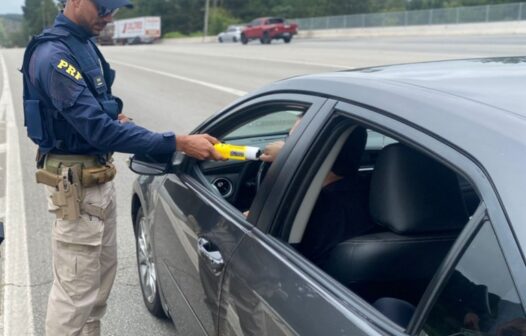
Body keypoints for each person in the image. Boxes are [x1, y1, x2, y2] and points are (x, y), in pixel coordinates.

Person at [21, 1, 222, 335]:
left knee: (96, 288)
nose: (109, 16)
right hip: (77, 190)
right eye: (102, 6)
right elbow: (98, 129)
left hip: (95, 182)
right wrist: (179, 142)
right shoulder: (54, 56)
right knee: (75, 296)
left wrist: (114, 115)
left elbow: (98, 111)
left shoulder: (82, 43)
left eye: (114, 8)